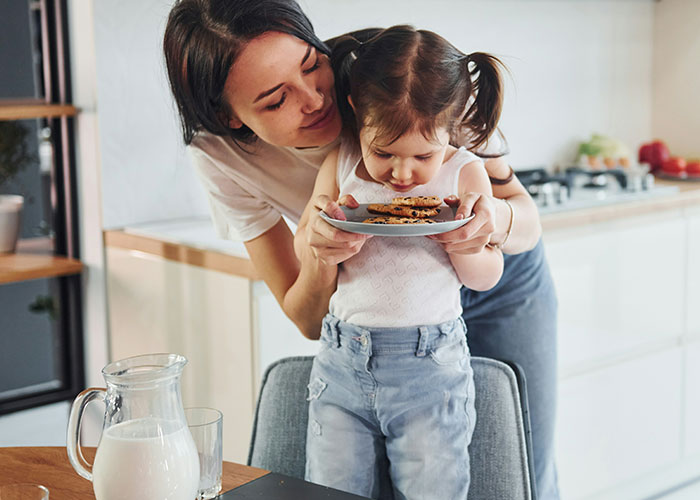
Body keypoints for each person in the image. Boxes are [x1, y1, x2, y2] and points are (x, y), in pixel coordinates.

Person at [163, 1, 559, 498]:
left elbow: (527, 222)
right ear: (228, 116)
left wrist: (489, 221)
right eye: (274, 100)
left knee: (521, 465)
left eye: (310, 64)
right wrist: (320, 256)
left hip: (492, 275)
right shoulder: (220, 156)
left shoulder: (391, 82)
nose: (314, 99)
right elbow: (308, 319)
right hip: (368, 299)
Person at [295, 26, 506, 499]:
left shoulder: (464, 172)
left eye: (422, 155)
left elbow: (489, 274)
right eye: (384, 152)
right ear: (356, 114)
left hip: (430, 368)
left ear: (450, 127)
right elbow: (309, 239)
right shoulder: (343, 161)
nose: (402, 173)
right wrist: (322, 238)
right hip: (342, 361)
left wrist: (465, 244)